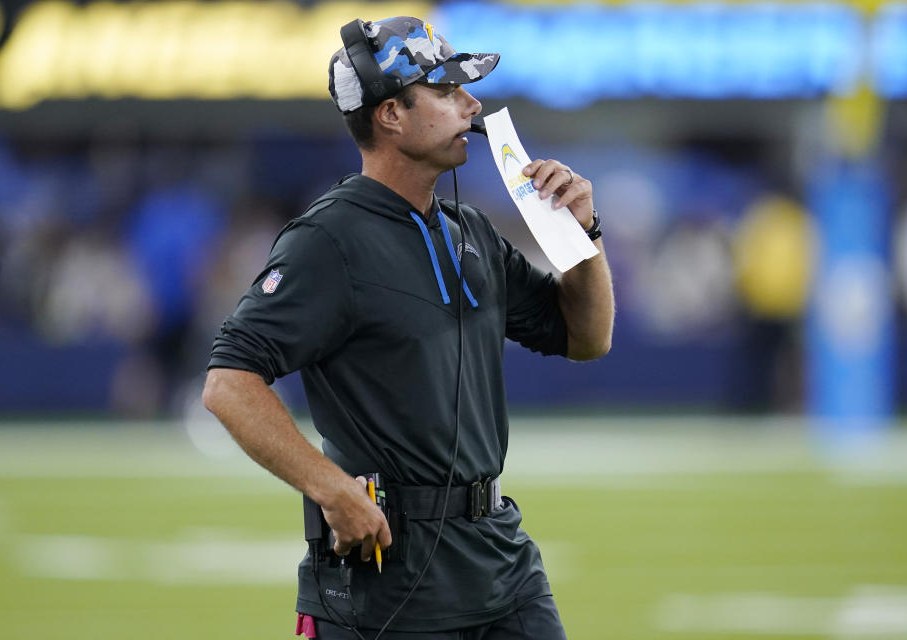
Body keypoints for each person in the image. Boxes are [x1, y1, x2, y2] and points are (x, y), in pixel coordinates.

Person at [202, 16, 614, 639]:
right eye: (447, 91)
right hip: (390, 579)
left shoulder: (470, 229)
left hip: (499, 558)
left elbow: (587, 339)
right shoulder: (328, 241)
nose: (472, 104)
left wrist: (580, 237)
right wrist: (331, 488)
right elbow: (228, 382)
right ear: (391, 113)